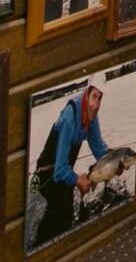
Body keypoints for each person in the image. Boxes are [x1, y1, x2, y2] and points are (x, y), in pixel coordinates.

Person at [27, 83, 109, 248]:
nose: (96, 105)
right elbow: (60, 170)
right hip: (47, 175)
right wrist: (79, 181)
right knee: (60, 216)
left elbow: (100, 150)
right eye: (94, 96)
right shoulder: (69, 117)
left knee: (66, 215)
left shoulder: (92, 117)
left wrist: (115, 161)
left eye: (100, 98)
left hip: (63, 174)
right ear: (87, 93)